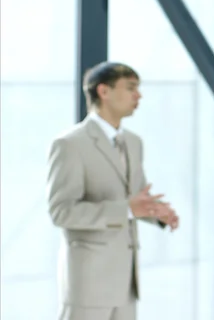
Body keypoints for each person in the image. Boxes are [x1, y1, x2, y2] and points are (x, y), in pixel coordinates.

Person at [46, 62, 179, 320]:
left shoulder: (133, 142)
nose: (138, 96)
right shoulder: (70, 144)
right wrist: (128, 209)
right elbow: (61, 212)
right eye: (131, 88)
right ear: (103, 91)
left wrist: (156, 213)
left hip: (126, 283)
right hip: (88, 284)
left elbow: (136, 196)